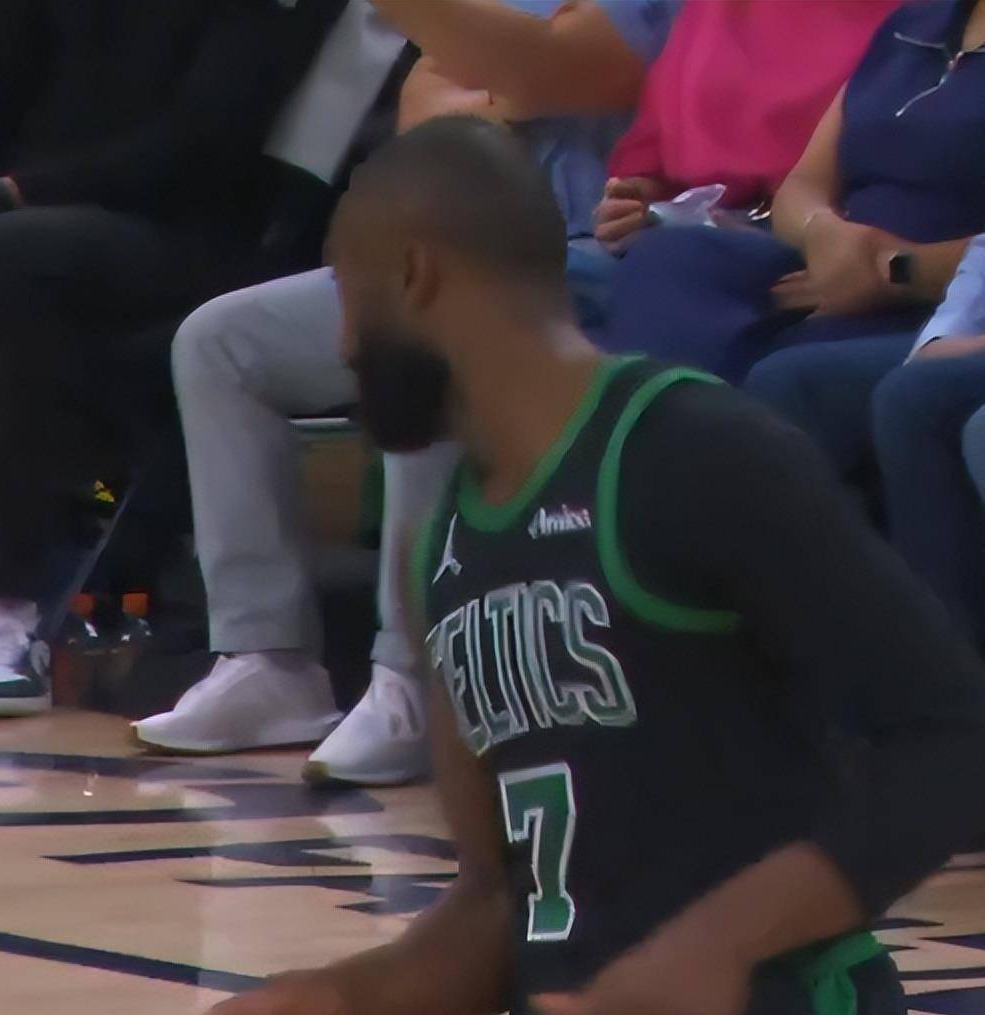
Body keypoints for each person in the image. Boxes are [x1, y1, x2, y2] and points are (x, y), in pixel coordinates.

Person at [209, 115, 985, 1015]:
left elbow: (954, 736)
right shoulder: (442, 546)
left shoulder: (691, 449)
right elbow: (497, 904)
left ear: (416, 273)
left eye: (349, 292)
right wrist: (338, 998)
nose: (343, 344)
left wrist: (713, 948)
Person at [132, 0, 682, 784]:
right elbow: (426, 121)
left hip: (598, 266)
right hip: (458, 251)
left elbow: (559, 68)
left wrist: (491, 84)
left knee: (427, 341)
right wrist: (503, 91)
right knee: (222, 341)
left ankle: (412, 678)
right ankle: (266, 658)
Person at [0, 0, 350, 717]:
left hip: (198, 232)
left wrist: (1, 197)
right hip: (41, 221)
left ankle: (5, 621)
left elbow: (202, 146)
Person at [603, 0, 985, 382]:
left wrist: (891, 268)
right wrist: (821, 229)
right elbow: (803, 184)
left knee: (788, 375)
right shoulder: (913, 23)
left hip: (941, 300)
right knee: (669, 262)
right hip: (829, 262)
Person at [746, 236, 985, 648]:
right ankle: (832, 649)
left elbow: (903, 267)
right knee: (788, 382)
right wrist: (819, 227)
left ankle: (945, 654)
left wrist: (887, 266)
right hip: (917, 297)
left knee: (915, 399)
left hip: (896, 282)